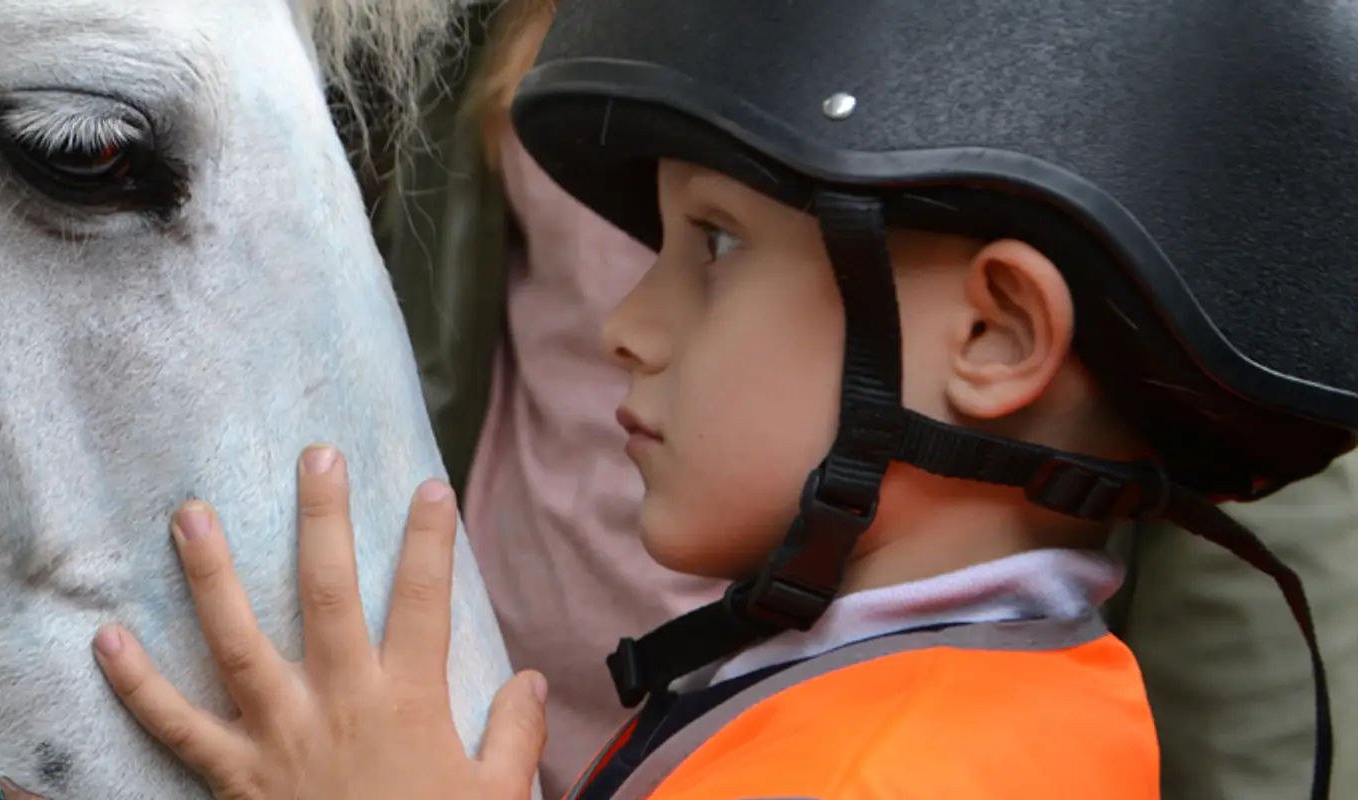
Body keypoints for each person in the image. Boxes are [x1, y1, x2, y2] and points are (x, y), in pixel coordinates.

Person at [94, 2, 1355, 799]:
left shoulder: (879, 773)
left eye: (713, 245)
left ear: (990, 333)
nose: (625, 324)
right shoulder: (965, 695)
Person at [396, 1, 727, 792]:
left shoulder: (801, 46)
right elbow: (457, 294)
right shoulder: (498, 33)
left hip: (710, 581)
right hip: (516, 565)